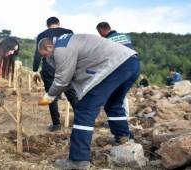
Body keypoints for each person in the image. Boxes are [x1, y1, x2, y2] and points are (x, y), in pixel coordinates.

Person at [38, 34, 139, 169]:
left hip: (114, 66)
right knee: (113, 104)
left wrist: (49, 96)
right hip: (130, 63)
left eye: (45, 54)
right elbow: (68, 79)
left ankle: (78, 159)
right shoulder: (68, 42)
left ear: (49, 46)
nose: (46, 58)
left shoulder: (61, 48)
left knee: (85, 109)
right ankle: (123, 137)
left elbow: (62, 80)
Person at [32, 16, 78, 132]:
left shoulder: (42, 35)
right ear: (58, 23)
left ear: (47, 25)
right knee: (72, 95)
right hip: (65, 66)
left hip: (48, 68)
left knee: (51, 95)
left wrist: (35, 70)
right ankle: (81, 121)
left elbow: (37, 55)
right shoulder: (68, 32)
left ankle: (56, 124)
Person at [97, 22, 136, 117]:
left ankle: (118, 117)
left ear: (101, 31)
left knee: (114, 93)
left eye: (99, 33)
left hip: (120, 66)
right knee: (121, 93)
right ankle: (124, 116)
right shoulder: (125, 36)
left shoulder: (106, 41)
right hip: (134, 64)